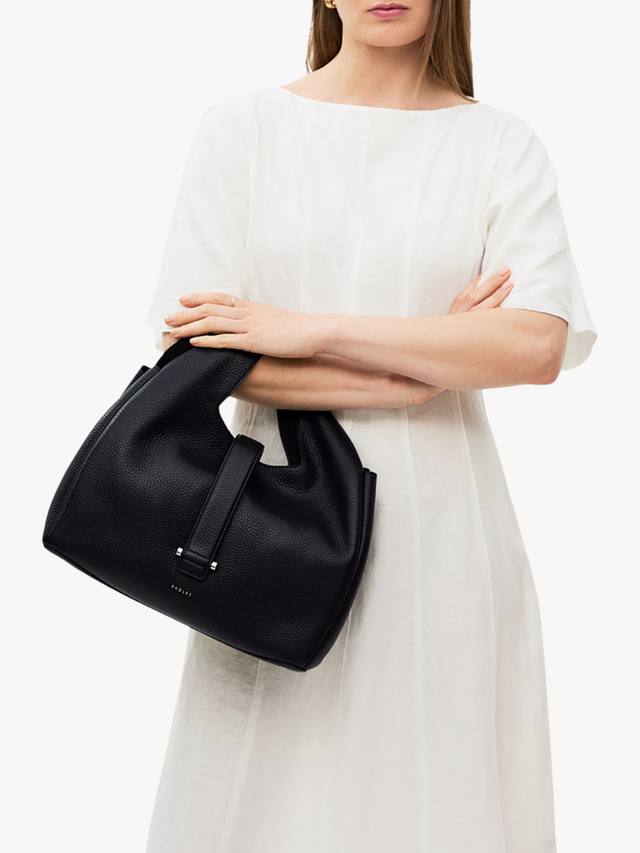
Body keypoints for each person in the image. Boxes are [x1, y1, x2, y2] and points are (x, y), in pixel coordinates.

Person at [143, 2, 597, 851]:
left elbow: (537, 344)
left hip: (443, 530)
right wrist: (421, 367)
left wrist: (305, 328)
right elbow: (191, 353)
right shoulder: (245, 129)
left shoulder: (499, 144)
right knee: (266, 795)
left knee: (435, 793)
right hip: (267, 527)